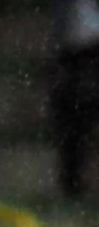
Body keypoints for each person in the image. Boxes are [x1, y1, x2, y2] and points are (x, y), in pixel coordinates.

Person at [51, 0, 99, 200]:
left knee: (76, 119)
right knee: (74, 120)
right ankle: (73, 183)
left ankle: (74, 182)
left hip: (83, 49)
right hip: (78, 51)